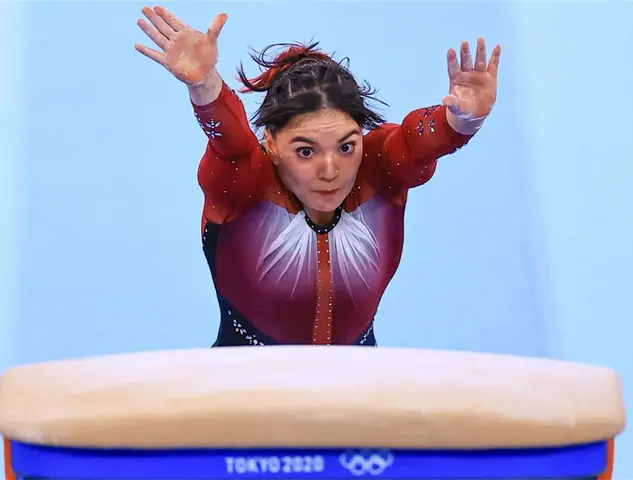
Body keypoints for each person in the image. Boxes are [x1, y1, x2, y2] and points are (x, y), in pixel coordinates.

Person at [134, 6, 500, 347]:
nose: (330, 171)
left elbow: (417, 144)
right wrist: (205, 86)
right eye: (306, 151)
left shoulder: (378, 171)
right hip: (244, 383)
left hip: (357, 383)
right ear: (271, 144)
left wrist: (459, 122)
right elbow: (230, 143)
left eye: (346, 147)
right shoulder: (246, 185)